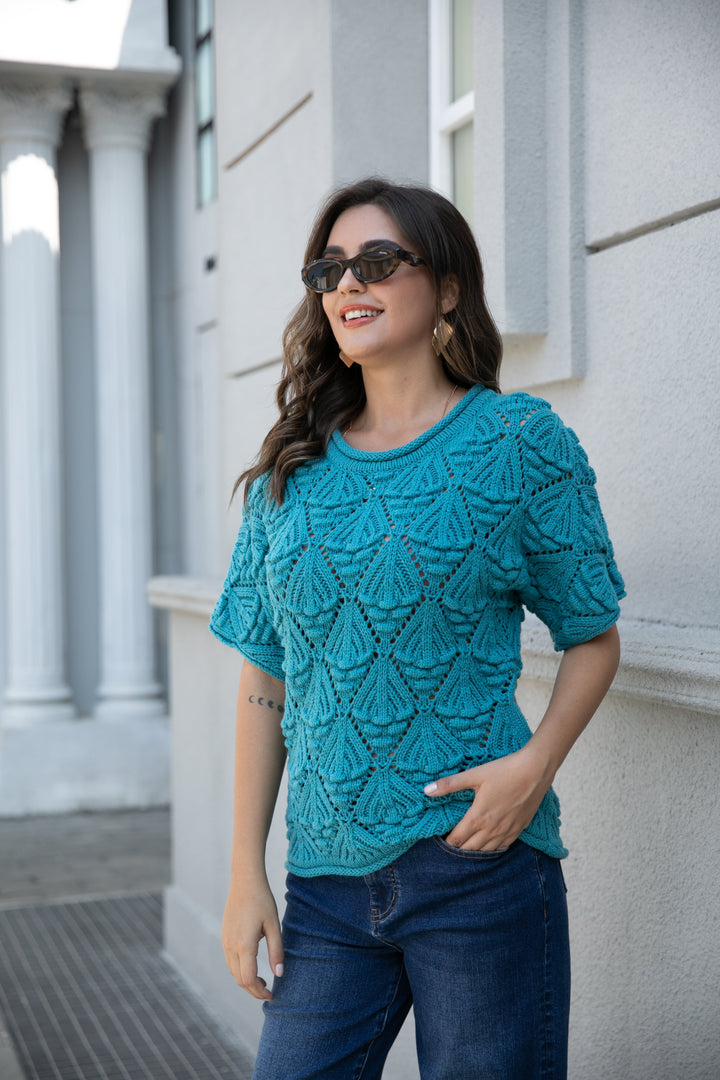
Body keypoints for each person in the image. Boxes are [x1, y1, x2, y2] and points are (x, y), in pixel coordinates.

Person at [209, 177, 624, 1080]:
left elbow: (593, 634)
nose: (349, 283)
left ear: (447, 288)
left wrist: (534, 768)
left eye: (378, 260)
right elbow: (264, 672)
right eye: (329, 269)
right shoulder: (290, 469)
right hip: (323, 882)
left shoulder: (516, 442)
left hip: (478, 866)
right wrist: (246, 870)